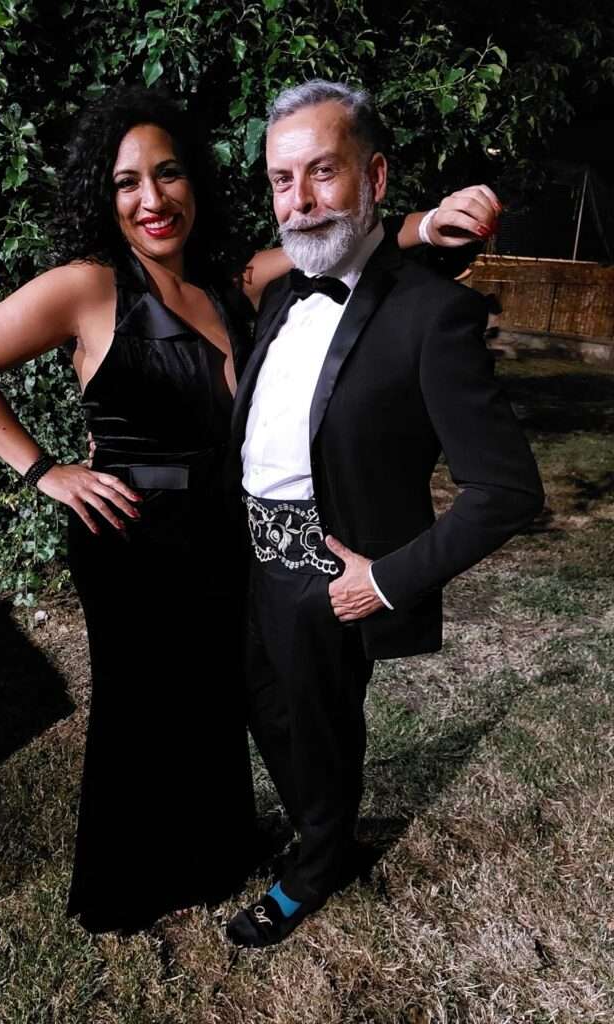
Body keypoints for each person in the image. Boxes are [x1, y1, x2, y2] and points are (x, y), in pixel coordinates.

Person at [0, 84, 501, 934]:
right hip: (131, 537)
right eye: (126, 182)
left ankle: (220, 849)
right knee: (143, 710)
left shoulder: (229, 284)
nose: (151, 199)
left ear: (194, 180)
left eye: (167, 174)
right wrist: (45, 470)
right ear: (103, 196)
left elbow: (336, 238)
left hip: (221, 533)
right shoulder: (88, 286)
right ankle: (135, 879)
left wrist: (433, 221)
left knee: (216, 702)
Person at [225, 80, 544, 947]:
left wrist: (391, 579)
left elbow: (509, 491)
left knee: (321, 730)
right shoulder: (281, 292)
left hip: (330, 573)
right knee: (267, 709)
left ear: (374, 177)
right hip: (252, 557)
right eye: (282, 179)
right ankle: (323, 831)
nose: (300, 199)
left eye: (323, 172)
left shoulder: (434, 314)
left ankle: (313, 869)